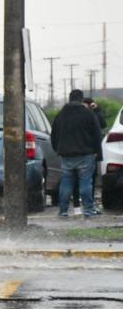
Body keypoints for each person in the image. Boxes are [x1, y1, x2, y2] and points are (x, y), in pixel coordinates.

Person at [51, 89, 103, 218]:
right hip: (86, 154)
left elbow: (54, 135)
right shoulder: (88, 114)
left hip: (66, 155)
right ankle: (88, 211)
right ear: (81, 99)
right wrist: (98, 153)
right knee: (85, 182)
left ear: (69, 99)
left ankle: (63, 212)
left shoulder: (61, 114)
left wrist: (58, 149)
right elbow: (97, 134)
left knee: (66, 182)